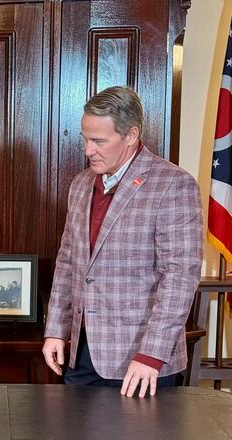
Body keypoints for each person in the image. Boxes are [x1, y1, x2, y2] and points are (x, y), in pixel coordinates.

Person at [42, 86, 203, 397]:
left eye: (99, 141)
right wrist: (56, 331)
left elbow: (180, 278)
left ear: (131, 135)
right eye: (85, 139)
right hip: (81, 354)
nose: (88, 150)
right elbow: (68, 263)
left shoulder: (173, 185)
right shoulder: (81, 184)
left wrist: (151, 356)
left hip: (140, 362)